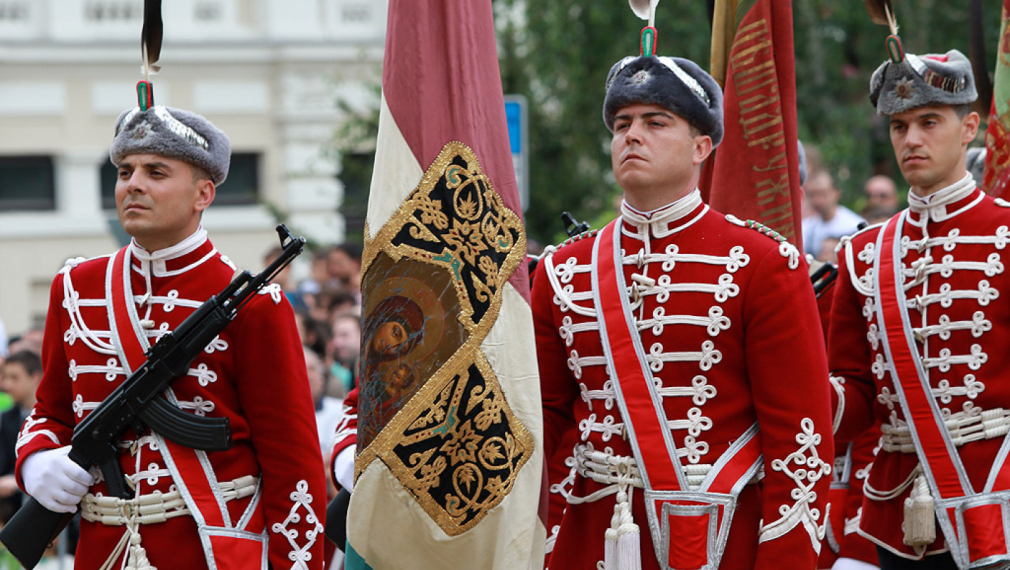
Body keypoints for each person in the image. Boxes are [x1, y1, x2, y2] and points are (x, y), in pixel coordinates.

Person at [530, 47, 833, 570]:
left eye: (655, 122)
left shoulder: (762, 263)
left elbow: (800, 442)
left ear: (701, 147)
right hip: (588, 536)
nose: (632, 135)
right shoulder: (564, 269)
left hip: (720, 539)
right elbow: (543, 421)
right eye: (621, 123)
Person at [14, 104, 326, 570]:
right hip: (104, 552)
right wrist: (37, 459)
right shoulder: (76, 288)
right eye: (125, 171)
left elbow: (292, 467)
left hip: (211, 551)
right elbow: (52, 411)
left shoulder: (256, 306)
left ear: (204, 193)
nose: (133, 184)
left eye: (156, 171)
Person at [829, 47, 1008, 569]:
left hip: (997, 494)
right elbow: (854, 388)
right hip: (896, 509)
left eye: (929, 121)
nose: (911, 139)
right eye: (899, 125)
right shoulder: (862, 252)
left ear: (969, 126)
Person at [0, 350, 42, 523]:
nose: (7, 384)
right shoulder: (7, 418)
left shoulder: (56, 417)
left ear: (35, 377)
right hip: (13, 503)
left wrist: (17, 481)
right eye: (5, 377)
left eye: (15, 377)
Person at [803, 168, 866, 257]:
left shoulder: (855, 226)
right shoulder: (807, 228)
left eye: (823, 194)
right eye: (813, 194)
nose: (818, 200)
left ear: (836, 193)